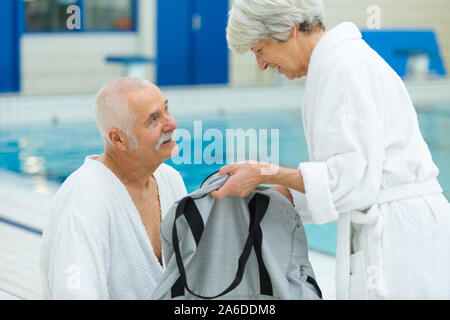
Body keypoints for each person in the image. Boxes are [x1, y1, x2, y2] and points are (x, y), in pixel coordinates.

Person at [214, 0, 450, 299]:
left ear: (289, 30)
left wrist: (263, 171)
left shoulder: (342, 66)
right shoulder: (337, 63)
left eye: (259, 50)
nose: (261, 64)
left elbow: (350, 182)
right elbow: (348, 177)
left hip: (402, 238)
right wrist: (273, 194)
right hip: (402, 229)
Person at [40, 78, 187, 299]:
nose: (172, 124)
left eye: (166, 109)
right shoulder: (85, 198)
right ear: (119, 139)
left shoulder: (170, 180)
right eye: (153, 119)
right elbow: (74, 293)